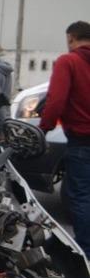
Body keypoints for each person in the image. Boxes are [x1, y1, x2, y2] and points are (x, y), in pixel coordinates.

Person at [39, 21, 90, 258]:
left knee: (80, 197)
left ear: (71, 38)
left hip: (82, 141)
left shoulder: (68, 61)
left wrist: (44, 128)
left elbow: (56, 100)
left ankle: (86, 254)